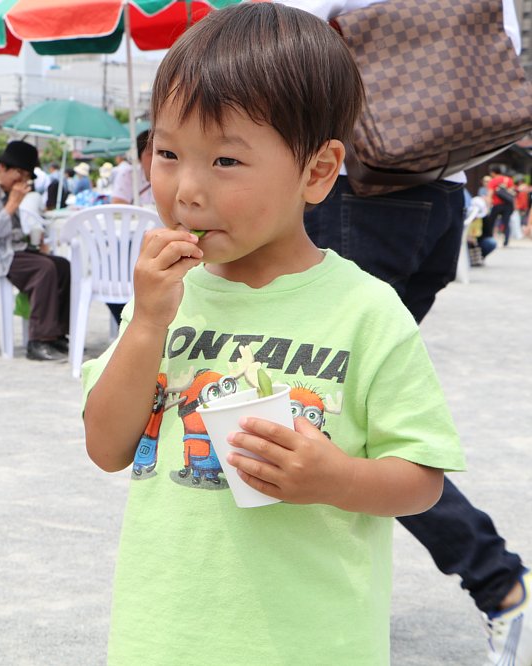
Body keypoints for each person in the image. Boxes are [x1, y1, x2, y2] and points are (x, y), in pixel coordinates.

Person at [81, 6, 465, 664]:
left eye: (225, 159)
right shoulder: (165, 303)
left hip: (312, 643)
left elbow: (422, 475)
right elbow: (107, 447)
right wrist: (146, 322)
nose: (187, 189)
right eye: (168, 153)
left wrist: (334, 477)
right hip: (163, 639)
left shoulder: (365, 311)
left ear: (317, 173)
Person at [287, 2, 532, 663]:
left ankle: (500, 580)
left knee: (337, 414)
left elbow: (291, 48)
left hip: (363, 192)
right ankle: (336, 585)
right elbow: (502, 44)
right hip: (442, 189)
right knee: (352, 411)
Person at [0, 140, 71, 361]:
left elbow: (12, 232)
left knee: (62, 266)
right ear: (3, 168)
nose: (23, 181)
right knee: (43, 269)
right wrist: (13, 203)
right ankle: (38, 342)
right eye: (20, 174)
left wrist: (34, 243)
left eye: (27, 177)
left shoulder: (5, 190)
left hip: (3, 251)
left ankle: (56, 334)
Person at [110, 131, 155, 206]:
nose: (156, 159)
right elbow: (118, 205)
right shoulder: (128, 175)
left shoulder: (172, 178)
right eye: (151, 153)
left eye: (162, 153)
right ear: (139, 157)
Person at [486, 164, 516, 247]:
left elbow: (490, 194)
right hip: (508, 205)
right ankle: (506, 241)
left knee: (491, 222)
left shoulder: (493, 181)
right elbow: (512, 193)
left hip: (497, 205)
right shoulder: (508, 180)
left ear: (493, 173)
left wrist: (488, 206)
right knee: (506, 223)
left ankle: (489, 238)